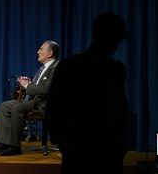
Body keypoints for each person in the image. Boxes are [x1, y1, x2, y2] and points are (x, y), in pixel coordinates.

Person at [46, 13, 129, 174]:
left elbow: (53, 107)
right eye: (117, 39)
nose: (118, 45)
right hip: (106, 152)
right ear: (111, 38)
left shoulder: (67, 65)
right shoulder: (116, 69)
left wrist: (61, 143)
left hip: (75, 148)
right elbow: (120, 110)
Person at [0, 40, 60, 156]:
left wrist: (27, 85)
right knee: (5, 106)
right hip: (33, 101)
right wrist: (27, 84)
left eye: (41, 49)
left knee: (18, 107)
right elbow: (36, 87)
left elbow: (46, 90)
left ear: (50, 53)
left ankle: (15, 146)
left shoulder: (56, 67)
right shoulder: (41, 69)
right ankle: (3, 143)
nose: (37, 52)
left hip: (43, 103)